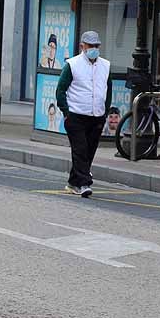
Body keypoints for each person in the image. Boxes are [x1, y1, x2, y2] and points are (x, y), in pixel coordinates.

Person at [55, 31, 112, 198]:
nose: (94, 49)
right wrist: (66, 112)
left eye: (96, 46)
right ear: (82, 46)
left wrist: (105, 111)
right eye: (90, 46)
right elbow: (61, 90)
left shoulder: (105, 66)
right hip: (76, 115)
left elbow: (108, 90)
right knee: (80, 149)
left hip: (97, 116)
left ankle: (73, 182)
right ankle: (84, 183)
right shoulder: (72, 65)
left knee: (89, 151)